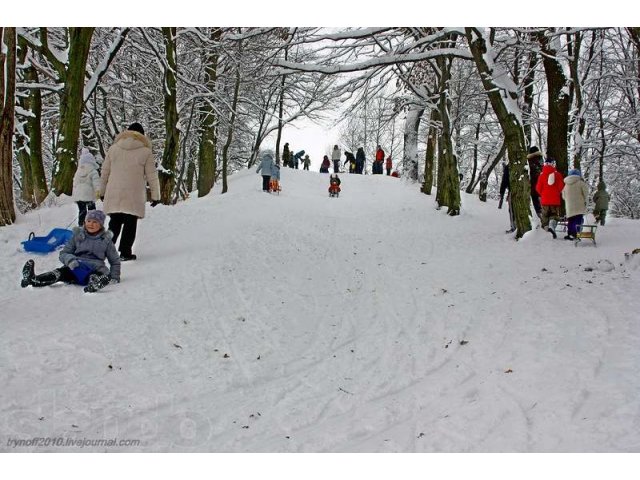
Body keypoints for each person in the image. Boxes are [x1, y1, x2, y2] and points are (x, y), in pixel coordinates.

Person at [100, 122, 161, 261]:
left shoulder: (113, 149)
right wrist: (155, 196)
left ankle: (104, 250)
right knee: (130, 223)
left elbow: (105, 172)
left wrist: (102, 192)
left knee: (114, 223)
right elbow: (152, 175)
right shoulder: (145, 152)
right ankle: (125, 253)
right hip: (134, 194)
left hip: (114, 192)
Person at [20, 210, 120, 293]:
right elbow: (63, 253)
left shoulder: (105, 240)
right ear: (85, 222)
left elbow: (115, 260)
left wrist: (114, 277)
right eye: (88, 221)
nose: (91, 224)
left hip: (94, 268)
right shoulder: (77, 236)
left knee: (95, 275)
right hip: (75, 266)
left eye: (95, 222)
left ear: (101, 225)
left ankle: (95, 284)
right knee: (60, 273)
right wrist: (70, 260)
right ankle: (33, 279)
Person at [536, 158, 565, 239]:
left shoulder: (541, 175)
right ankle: (552, 226)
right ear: (553, 164)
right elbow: (561, 187)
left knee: (545, 216)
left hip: (544, 200)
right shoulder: (558, 175)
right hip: (555, 200)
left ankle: (546, 232)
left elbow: (538, 188)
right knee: (554, 215)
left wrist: (543, 194)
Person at [72, 148, 100, 226]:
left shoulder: (78, 171)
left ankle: (81, 227)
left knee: (82, 212)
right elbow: (96, 182)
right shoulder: (93, 171)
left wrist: (75, 194)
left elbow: (75, 183)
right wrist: (98, 191)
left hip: (79, 196)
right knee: (92, 213)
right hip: (89, 196)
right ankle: (92, 227)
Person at [562, 169, 589, 240]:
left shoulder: (566, 185)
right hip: (579, 206)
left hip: (569, 206)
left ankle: (570, 234)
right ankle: (575, 234)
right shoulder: (581, 183)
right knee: (578, 220)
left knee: (570, 220)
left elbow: (563, 196)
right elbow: (586, 194)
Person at [498, 161, 516, 233]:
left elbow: (504, 181)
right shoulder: (524, 163)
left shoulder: (508, 167)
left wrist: (502, 192)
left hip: (512, 191)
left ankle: (514, 227)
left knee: (512, 210)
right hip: (523, 191)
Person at [527, 146, 544, 218]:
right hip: (542, 186)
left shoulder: (529, 161)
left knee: (536, 204)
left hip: (533, 186)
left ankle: (539, 218)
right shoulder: (540, 159)